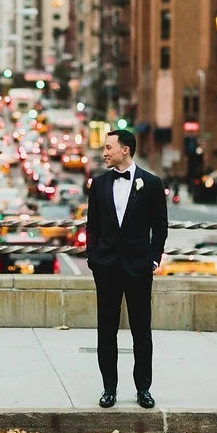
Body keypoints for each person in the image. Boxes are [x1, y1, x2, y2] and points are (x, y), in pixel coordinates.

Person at [85, 129, 168, 410]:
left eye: (109, 147)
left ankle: (143, 389)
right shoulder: (98, 185)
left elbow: (160, 227)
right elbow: (92, 227)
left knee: (141, 332)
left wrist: (153, 260)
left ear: (126, 150)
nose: (104, 153)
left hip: (138, 269)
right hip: (106, 269)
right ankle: (109, 389)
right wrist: (93, 259)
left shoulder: (152, 184)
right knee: (105, 331)